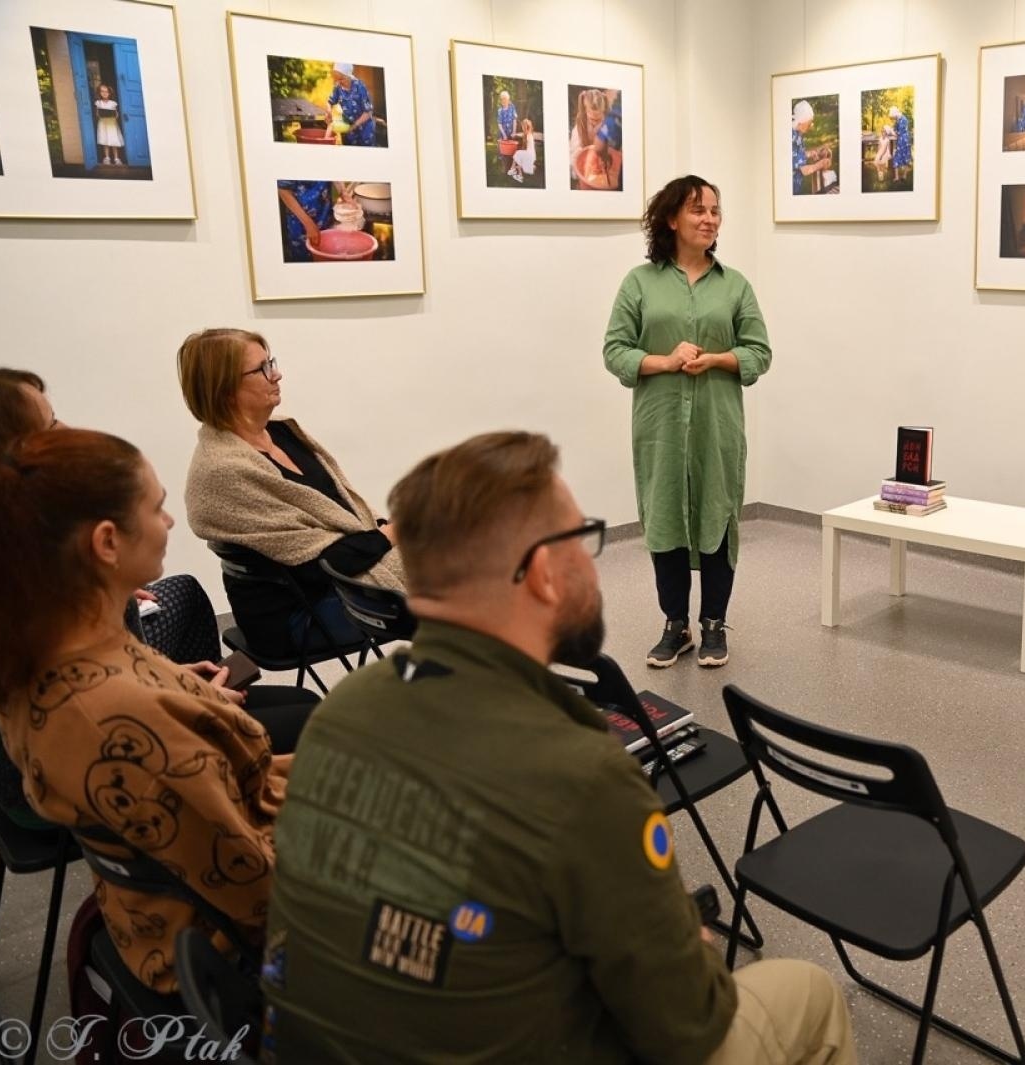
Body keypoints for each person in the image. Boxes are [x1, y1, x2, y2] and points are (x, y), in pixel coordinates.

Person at [261, 430, 856, 1064]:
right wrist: (695, 944)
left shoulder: (342, 709)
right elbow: (688, 1028)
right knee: (808, 991)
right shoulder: (582, 773)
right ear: (544, 573)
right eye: (581, 537)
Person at [0, 429, 291, 992]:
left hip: (179, 909)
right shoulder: (118, 721)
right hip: (228, 949)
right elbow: (259, 892)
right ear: (105, 542)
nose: (170, 523)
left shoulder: (44, 651)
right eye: (158, 508)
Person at [0, 367, 319, 752]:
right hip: (117, 743)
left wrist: (174, 680)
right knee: (313, 719)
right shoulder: (33, 594)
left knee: (184, 593)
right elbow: (99, 719)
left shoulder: (26, 543)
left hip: (129, 706)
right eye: (52, 422)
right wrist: (187, 703)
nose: (67, 428)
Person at [603, 176, 772, 669]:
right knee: (666, 520)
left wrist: (719, 359)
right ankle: (675, 625)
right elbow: (615, 352)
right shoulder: (640, 282)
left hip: (717, 428)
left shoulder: (735, 285)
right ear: (672, 218)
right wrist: (666, 360)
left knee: (717, 518)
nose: (709, 219)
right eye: (698, 210)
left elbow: (760, 353)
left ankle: (714, 625)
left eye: (716, 211)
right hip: (659, 427)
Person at [178, 328, 404, 661]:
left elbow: (342, 519)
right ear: (224, 388)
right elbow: (315, 566)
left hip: (341, 583)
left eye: (272, 362)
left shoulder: (282, 431)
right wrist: (389, 536)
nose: (277, 374)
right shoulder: (222, 471)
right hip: (300, 615)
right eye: (262, 369)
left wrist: (387, 533)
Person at [327, 62, 376, 147]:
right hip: (348, 129)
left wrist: (354, 126)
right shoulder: (338, 87)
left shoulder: (360, 87)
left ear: (348, 75)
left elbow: (368, 112)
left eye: (341, 79)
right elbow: (329, 102)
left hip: (364, 130)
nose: (338, 82)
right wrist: (328, 112)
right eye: (336, 78)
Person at [790, 99, 832, 195]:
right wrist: (820, 164)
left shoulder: (798, 133)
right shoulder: (792, 139)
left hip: (797, 186)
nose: (811, 125)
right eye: (809, 123)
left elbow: (797, 155)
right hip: (792, 189)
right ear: (801, 122)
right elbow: (804, 170)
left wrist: (811, 153)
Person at [93, 81, 124, 166]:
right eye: (102, 91)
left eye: (106, 91)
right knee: (105, 140)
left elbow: (116, 114)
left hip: (112, 124)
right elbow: (97, 114)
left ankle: (116, 158)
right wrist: (100, 114)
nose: (104, 93)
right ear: (99, 93)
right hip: (103, 124)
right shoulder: (98, 102)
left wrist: (114, 114)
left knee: (113, 140)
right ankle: (107, 158)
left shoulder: (113, 103)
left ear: (109, 93)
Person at [889, 104, 912, 183]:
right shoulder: (898, 119)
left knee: (905, 158)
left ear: (896, 114)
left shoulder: (904, 120)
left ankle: (904, 176)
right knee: (896, 158)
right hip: (900, 141)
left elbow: (898, 133)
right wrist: (890, 129)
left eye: (894, 117)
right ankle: (897, 177)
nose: (894, 119)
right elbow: (894, 128)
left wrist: (892, 132)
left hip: (904, 142)